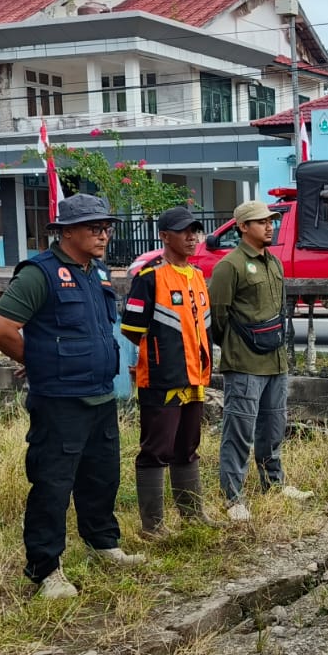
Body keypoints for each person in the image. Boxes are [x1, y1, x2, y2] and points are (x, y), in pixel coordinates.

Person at [0, 194, 144, 599]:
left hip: (99, 395)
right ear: (67, 231)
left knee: (101, 476)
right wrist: (38, 361)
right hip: (59, 399)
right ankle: (46, 569)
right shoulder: (39, 274)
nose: (104, 235)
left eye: (106, 227)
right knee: (53, 484)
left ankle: (103, 542)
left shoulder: (98, 274)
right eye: (94, 228)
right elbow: (0, 327)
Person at [209, 200, 311, 521]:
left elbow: (281, 311)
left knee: (274, 425)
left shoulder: (274, 263)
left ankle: (274, 483)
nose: (270, 226)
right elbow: (219, 317)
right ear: (242, 227)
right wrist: (239, 346)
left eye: (271, 221)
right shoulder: (230, 265)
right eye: (261, 222)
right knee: (239, 428)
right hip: (244, 362)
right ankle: (233, 496)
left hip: (275, 360)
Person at [121, 205, 214, 535]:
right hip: (162, 378)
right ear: (164, 236)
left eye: (195, 231)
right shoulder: (149, 279)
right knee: (156, 450)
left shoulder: (199, 277)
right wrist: (161, 356)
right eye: (184, 231)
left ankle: (192, 513)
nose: (192, 238)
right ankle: (153, 525)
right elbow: (132, 329)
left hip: (196, 377)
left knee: (187, 446)